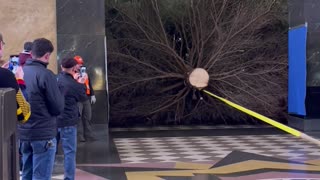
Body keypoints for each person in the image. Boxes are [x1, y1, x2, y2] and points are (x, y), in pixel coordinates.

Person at [19, 38, 64, 180]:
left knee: (26, 173)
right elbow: (57, 107)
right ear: (47, 55)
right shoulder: (46, 75)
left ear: (31, 53)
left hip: (24, 133)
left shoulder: (21, 72)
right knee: (41, 176)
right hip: (43, 133)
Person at [57, 57, 87, 180]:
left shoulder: (55, 79)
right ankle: (69, 178)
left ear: (61, 66)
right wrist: (81, 83)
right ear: (74, 68)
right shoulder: (75, 84)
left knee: (49, 151)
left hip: (53, 120)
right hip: (68, 121)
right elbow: (83, 98)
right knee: (69, 152)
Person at [73, 55, 96, 142]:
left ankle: (88, 135)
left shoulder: (85, 73)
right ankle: (80, 136)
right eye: (78, 64)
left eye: (81, 64)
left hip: (86, 97)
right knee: (79, 118)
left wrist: (92, 95)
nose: (80, 65)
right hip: (78, 99)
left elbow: (89, 84)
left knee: (87, 117)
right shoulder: (73, 74)